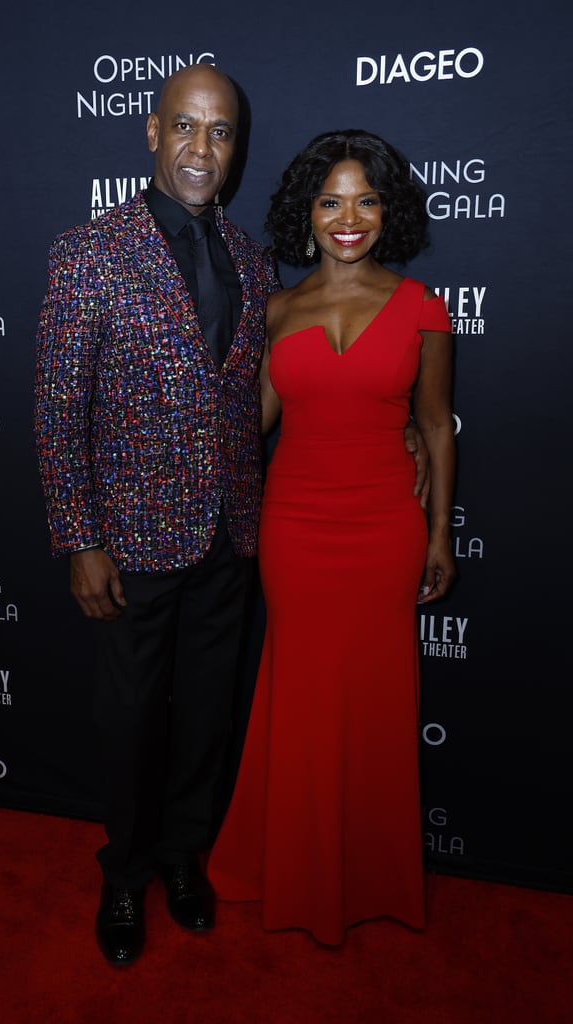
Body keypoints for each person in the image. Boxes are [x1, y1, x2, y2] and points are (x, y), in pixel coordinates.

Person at [35, 68, 429, 966]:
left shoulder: (256, 263)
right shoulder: (89, 252)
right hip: (130, 537)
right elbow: (59, 407)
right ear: (151, 132)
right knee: (131, 716)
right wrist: (81, 537)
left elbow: (280, 390)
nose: (201, 149)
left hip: (237, 533)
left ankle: (183, 858)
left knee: (210, 710)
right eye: (186, 128)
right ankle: (126, 874)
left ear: (235, 148)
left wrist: (398, 419)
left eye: (219, 134)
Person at [208, 129, 456, 946]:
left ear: (388, 212)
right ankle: (298, 870)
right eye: (329, 201)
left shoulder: (422, 306)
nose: (348, 218)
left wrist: (439, 532)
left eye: (366, 200)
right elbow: (254, 429)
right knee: (304, 698)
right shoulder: (277, 308)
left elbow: (435, 428)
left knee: (377, 703)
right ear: (305, 213)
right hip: (297, 527)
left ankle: (371, 875)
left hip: (385, 524)